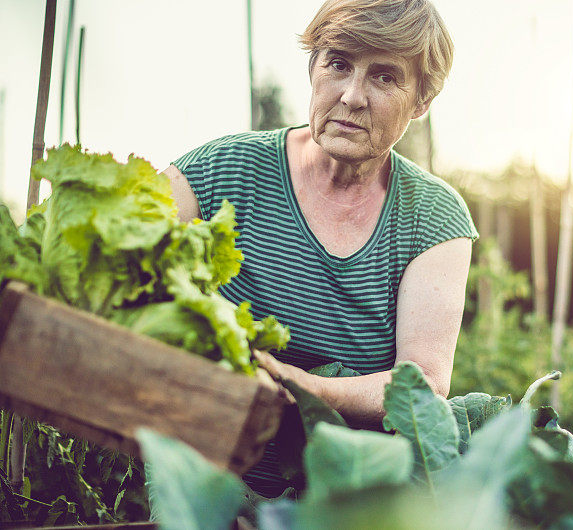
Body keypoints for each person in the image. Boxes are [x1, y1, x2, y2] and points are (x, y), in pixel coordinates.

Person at [164, 0, 477, 497]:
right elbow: (119, 257)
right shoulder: (220, 171)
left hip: (342, 500)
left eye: (385, 77)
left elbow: (422, 383)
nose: (353, 96)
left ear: (421, 102)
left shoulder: (433, 216)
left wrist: (293, 383)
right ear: (313, 68)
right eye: (338, 64)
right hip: (198, 483)